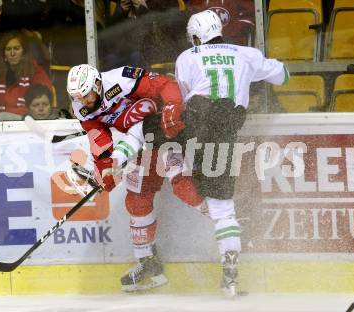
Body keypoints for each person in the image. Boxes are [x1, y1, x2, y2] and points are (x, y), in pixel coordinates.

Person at [173, 9, 289, 297]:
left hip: (195, 127)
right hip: (225, 128)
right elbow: (283, 75)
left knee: (172, 164)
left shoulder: (186, 58)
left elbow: (179, 96)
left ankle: (205, 204)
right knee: (223, 207)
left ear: (197, 36)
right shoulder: (245, 54)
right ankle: (230, 276)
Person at [66, 64, 206, 292]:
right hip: (138, 142)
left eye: (87, 94)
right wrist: (105, 169)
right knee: (136, 200)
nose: (83, 101)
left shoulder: (120, 78)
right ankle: (148, 264)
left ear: (98, 84)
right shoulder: (80, 106)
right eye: (77, 97)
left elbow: (164, 84)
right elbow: (99, 137)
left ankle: (231, 222)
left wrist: (173, 107)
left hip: (166, 131)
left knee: (185, 188)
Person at [0, 31, 53, 121]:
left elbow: (43, 105)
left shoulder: (36, 72)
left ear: (24, 52)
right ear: (4, 55)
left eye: (16, 48)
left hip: (29, 122)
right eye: (8, 49)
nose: (12, 53)